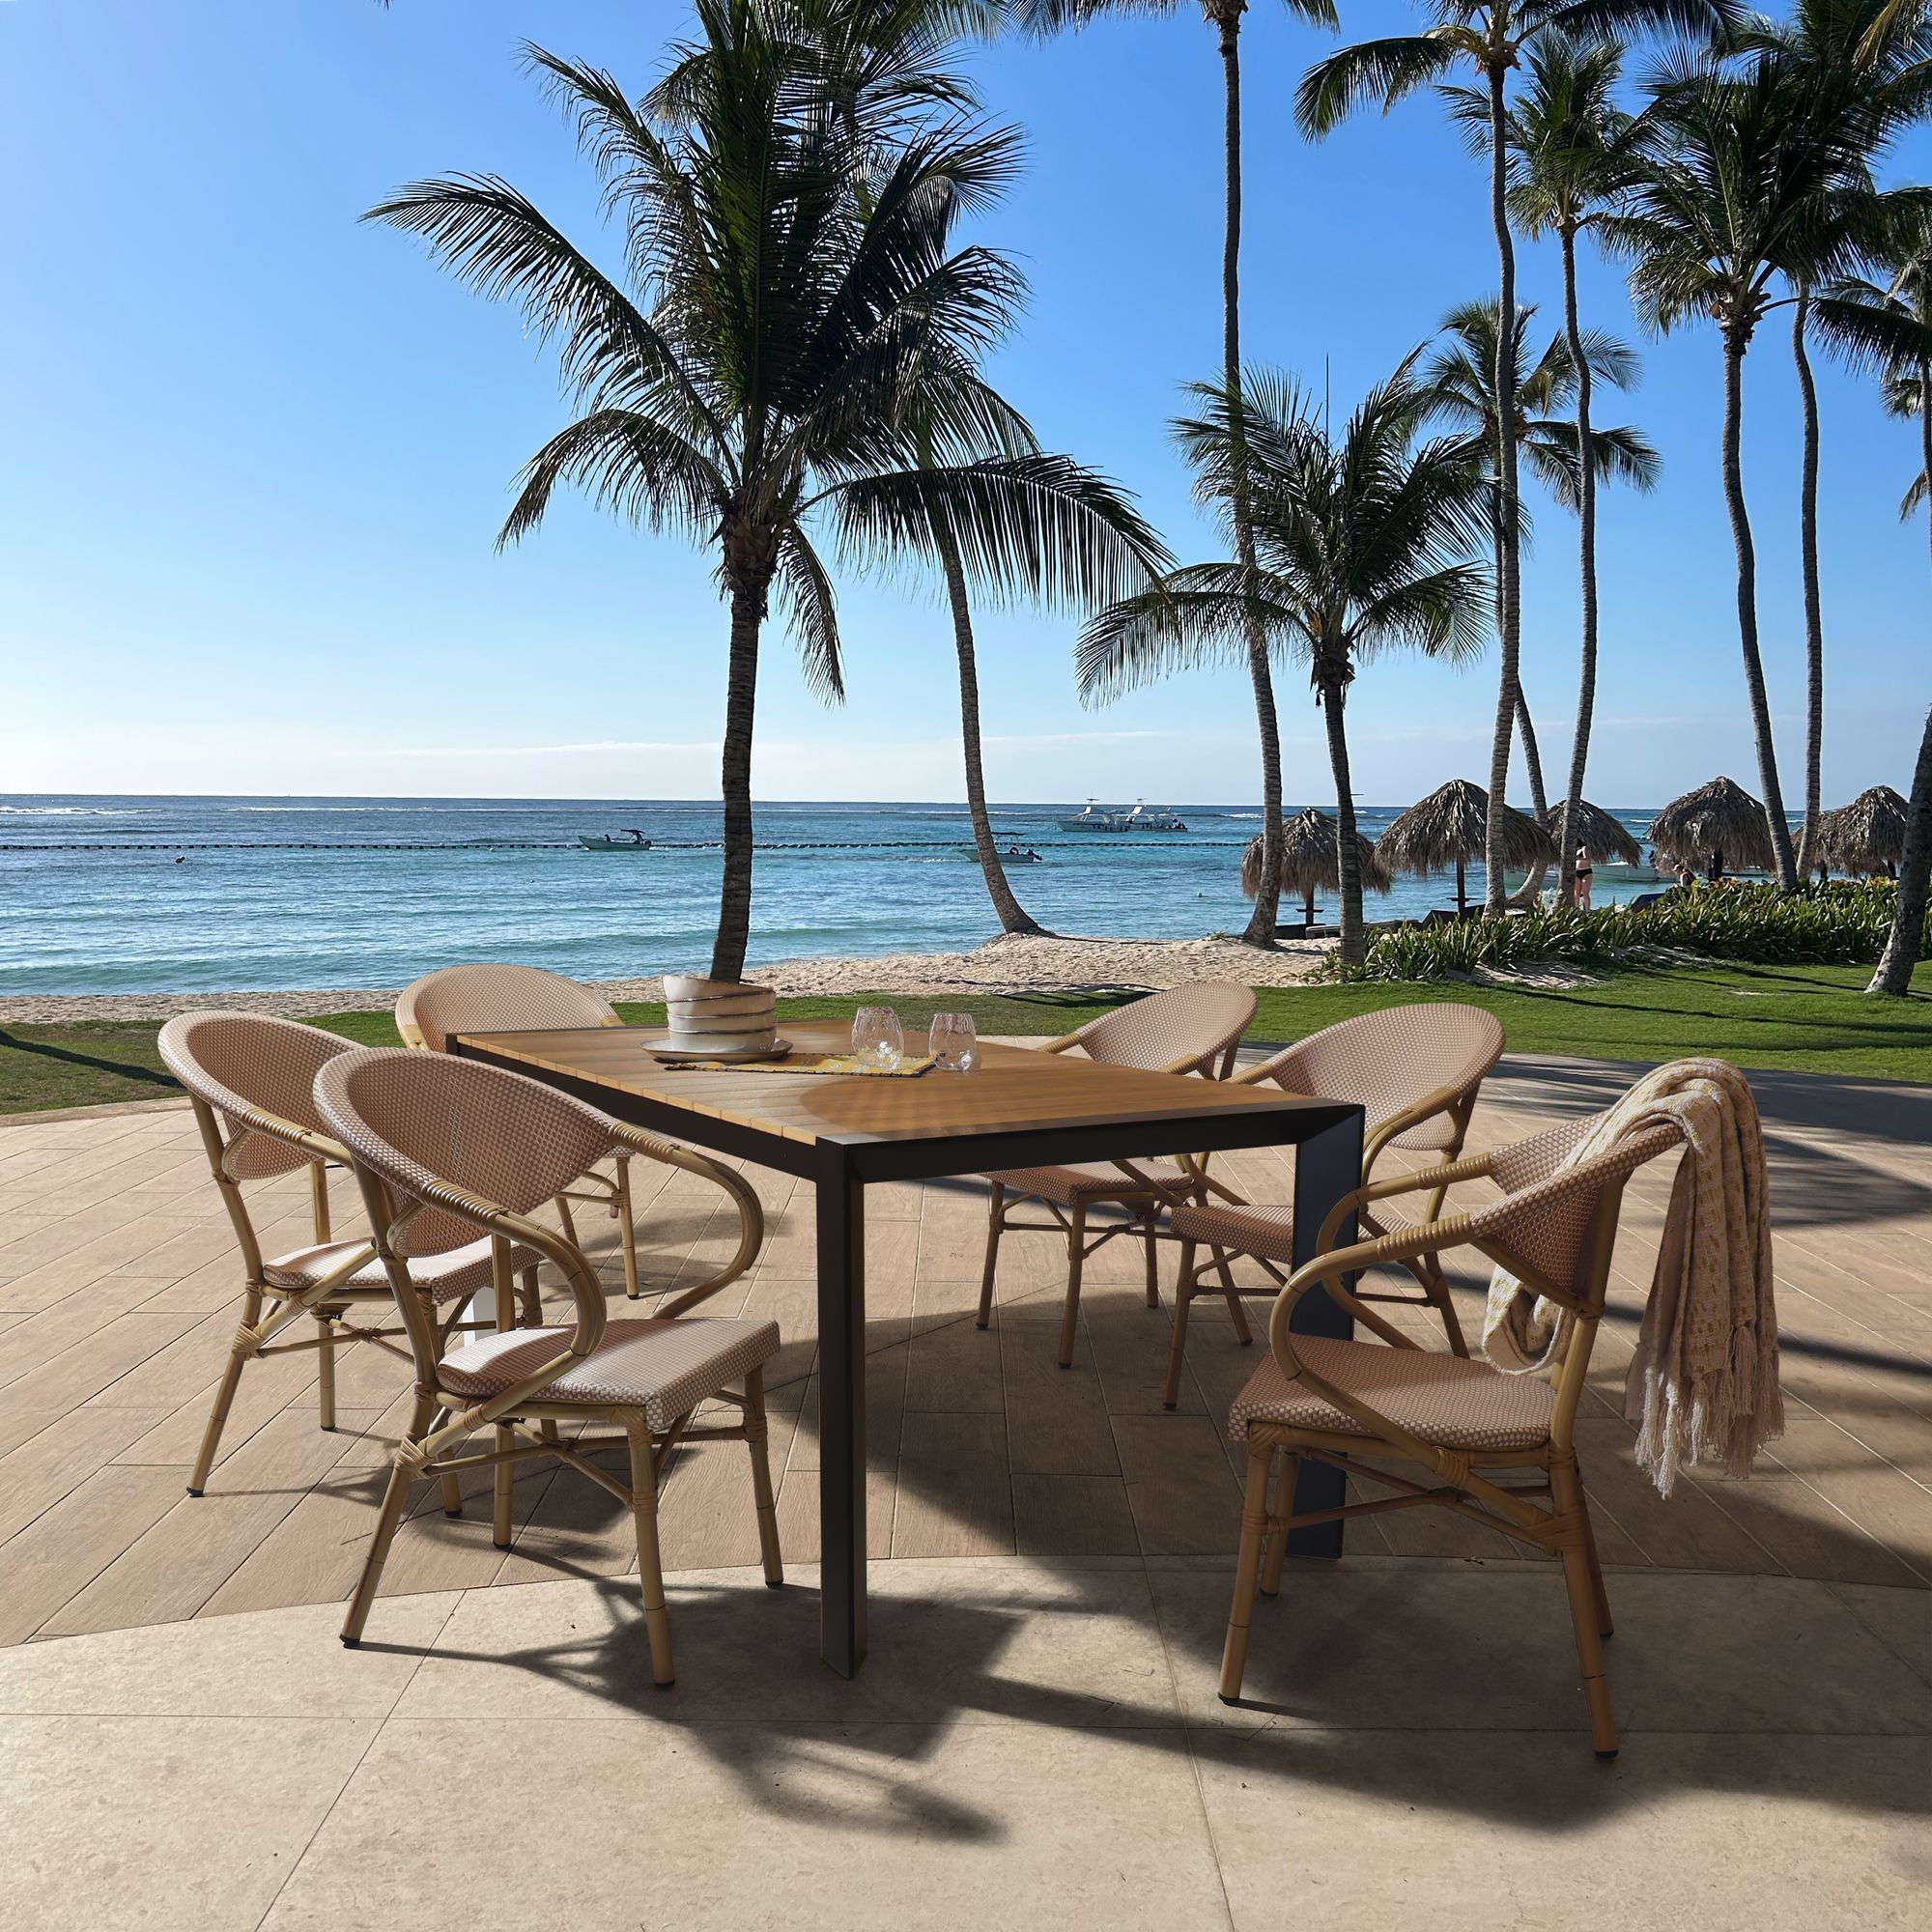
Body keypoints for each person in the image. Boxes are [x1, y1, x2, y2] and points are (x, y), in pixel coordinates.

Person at [1574, 844, 1593, 912]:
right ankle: (1576, 909)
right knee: (1577, 892)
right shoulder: (1574, 850)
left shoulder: (1584, 848)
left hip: (1586, 871)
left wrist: (1577, 858)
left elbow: (1587, 859)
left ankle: (1587, 910)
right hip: (1577, 871)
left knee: (1585, 893)